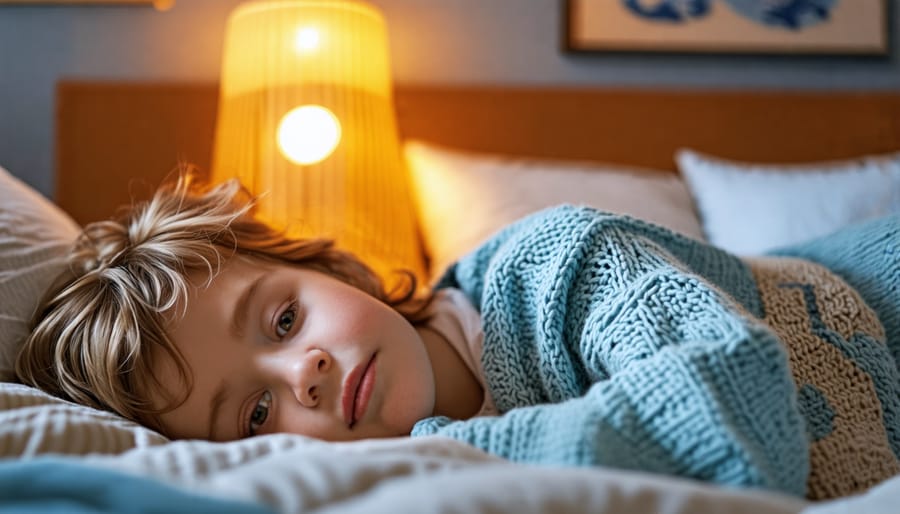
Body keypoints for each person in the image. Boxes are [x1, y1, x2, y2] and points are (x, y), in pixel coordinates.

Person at [16, 171, 900, 501]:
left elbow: (728, 413)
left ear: (334, 268)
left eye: (285, 318)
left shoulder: (562, 265)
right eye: (253, 415)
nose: (307, 370)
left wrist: (450, 442)